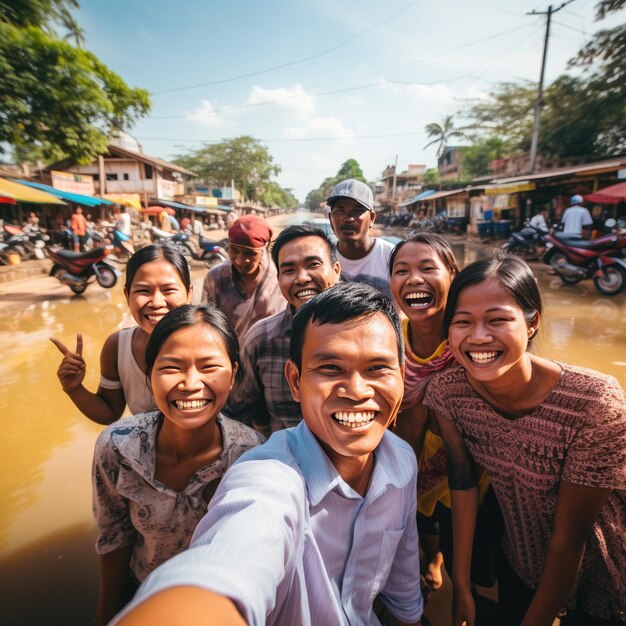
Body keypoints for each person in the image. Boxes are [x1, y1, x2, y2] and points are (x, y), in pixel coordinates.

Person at [113, 283, 424, 626]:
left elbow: (403, 577)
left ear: (402, 374)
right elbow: (229, 563)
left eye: (377, 368)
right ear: (294, 381)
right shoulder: (268, 476)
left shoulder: (402, 461)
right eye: (330, 369)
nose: (357, 391)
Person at [424, 253, 626, 626]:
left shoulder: (595, 402)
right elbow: (463, 483)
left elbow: (573, 533)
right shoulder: (447, 393)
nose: (479, 337)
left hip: (606, 575)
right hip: (518, 562)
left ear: (532, 324)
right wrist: (462, 584)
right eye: (463, 322)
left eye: (498, 320)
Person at [93, 304, 265, 626]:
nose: (189, 384)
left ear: (234, 374)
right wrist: (105, 616)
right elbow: (114, 538)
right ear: (149, 373)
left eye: (208, 367)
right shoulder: (116, 447)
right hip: (140, 593)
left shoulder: (252, 456)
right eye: (172, 367)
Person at [389, 235, 500, 612]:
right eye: (401, 270)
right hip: (415, 467)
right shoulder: (389, 344)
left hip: (475, 476)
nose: (414, 279)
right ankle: (432, 564)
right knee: (426, 529)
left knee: (474, 564)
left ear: (453, 276)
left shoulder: (475, 342)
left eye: (428, 268)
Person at [50, 244, 192, 425]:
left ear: (189, 293)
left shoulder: (210, 341)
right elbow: (110, 412)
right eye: (143, 291)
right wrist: (74, 388)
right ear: (127, 296)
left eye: (168, 290)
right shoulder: (118, 346)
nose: (157, 302)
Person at [224, 224, 341, 435]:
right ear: (278, 280)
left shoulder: (365, 334)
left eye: (313, 264)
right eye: (288, 270)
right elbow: (239, 410)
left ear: (336, 271)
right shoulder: (261, 339)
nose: (302, 278)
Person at [201, 215, 285, 341]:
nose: (240, 260)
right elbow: (205, 323)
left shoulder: (279, 280)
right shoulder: (215, 278)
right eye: (234, 250)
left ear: (265, 248)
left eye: (249, 253)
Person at [327, 178, 395, 296]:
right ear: (330, 218)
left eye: (357, 211)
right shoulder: (324, 261)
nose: (348, 218)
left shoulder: (392, 256)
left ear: (372, 218)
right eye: (340, 211)